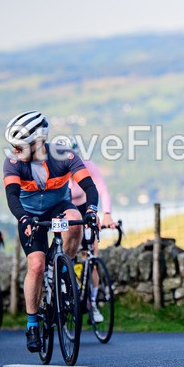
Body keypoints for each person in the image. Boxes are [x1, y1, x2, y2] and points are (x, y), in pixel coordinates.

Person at [2, 111, 99, 352]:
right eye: (13, 146)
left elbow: (89, 187)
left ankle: (63, 270)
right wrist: (23, 218)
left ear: (38, 142)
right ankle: (33, 324)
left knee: (76, 218)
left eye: (20, 146)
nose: (15, 150)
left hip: (58, 208)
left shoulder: (64, 155)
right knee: (36, 265)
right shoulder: (13, 162)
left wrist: (92, 210)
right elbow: (12, 196)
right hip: (29, 214)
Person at [59, 138, 115, 324]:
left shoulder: (87, 166)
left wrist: (106, 214)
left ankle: (92, 302)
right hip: (63, 209)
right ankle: (64, 288)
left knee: (92, 253)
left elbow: (102, 190)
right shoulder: (55, 171)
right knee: (67, 250)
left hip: (84, 207)